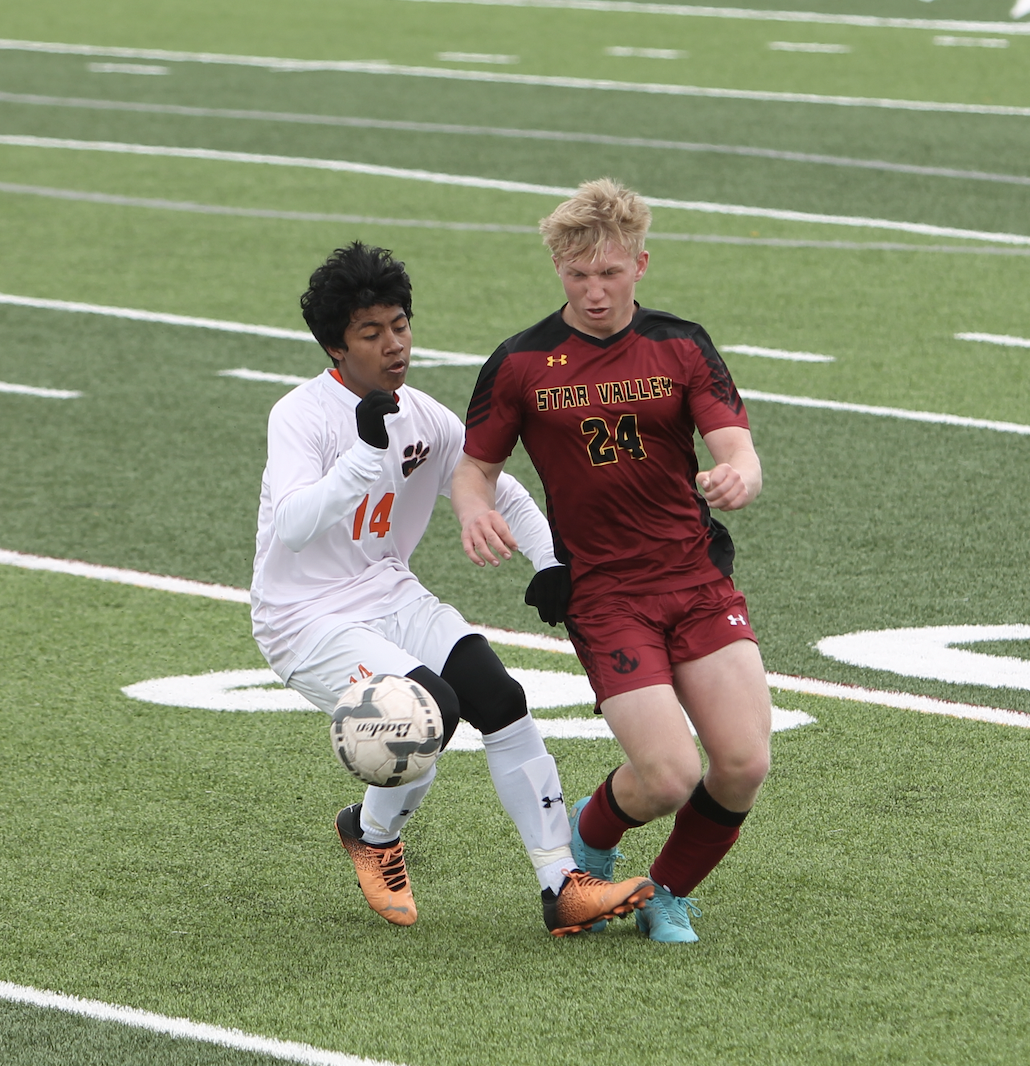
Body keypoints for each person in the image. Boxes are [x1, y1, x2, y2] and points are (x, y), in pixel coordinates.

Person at [250, 240, 653, 936]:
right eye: (370, 333)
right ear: (336, 347)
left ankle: (561, 885)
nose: (394, 344)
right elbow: (291, 525)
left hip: (389, 592)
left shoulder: (422, 415)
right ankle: (372, 835)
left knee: (500, 698)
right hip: (304, 618)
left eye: (400, 325)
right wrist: (363, 457)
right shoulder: (299, 415)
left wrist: (550, 563)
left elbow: (501, 489)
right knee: (426, 712)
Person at [452, 179, 772, 944]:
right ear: (557, 269)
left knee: (742, 764)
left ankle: (666, 892)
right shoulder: (521, 362)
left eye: (610, 272)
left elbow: (738, 448)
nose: (594, 291)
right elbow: (473, 468)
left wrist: (739, 476)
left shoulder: (680, 345)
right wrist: (473, 509)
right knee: (669, 775)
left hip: (696, 580)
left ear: (641, 265)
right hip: (605, 594)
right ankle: (589, 847)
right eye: (578, 274)